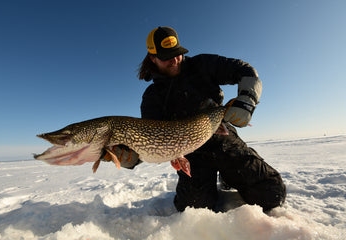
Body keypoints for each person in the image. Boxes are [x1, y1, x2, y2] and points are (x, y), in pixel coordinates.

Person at [113, 26, 286, 212]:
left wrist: (247, 99)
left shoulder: (202, 64)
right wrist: (131, 159)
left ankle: (228, 175)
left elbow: (245, 71)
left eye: (176, 53)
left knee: (272, 193)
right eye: (166, 56)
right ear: (152, 58)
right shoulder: (152, 97)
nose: (174, 59)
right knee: (194, 210)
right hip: (190, 154)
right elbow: (151, 141)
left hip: (222, 138)